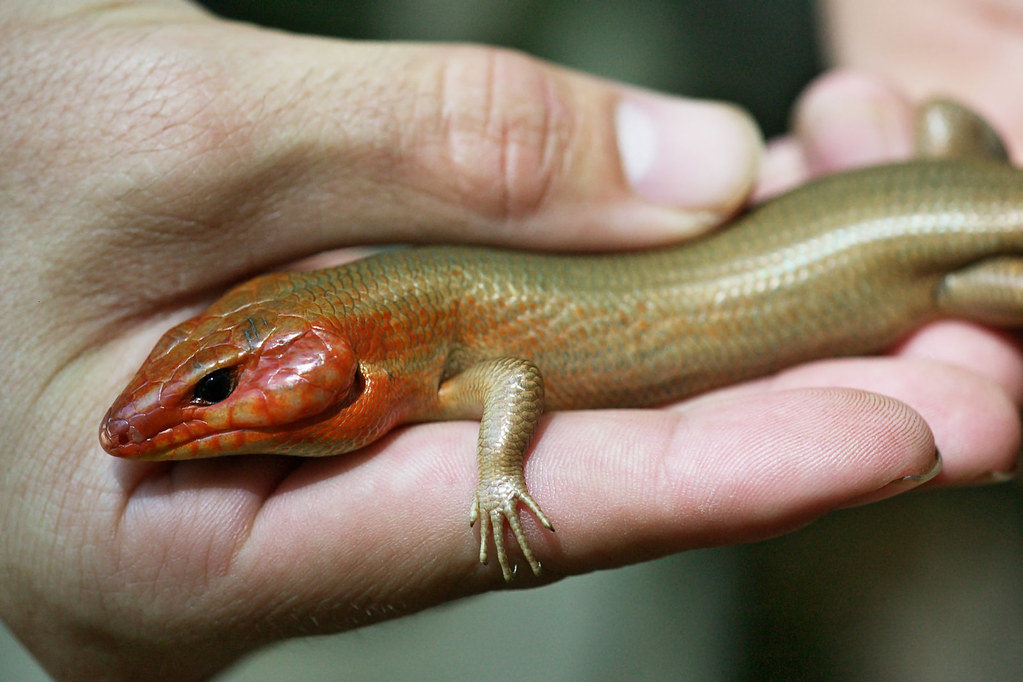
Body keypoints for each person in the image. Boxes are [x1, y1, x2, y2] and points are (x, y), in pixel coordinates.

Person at [1, 1, 1019, 679]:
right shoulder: (403, 347)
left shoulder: (433, 371)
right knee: (940, 135)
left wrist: (496, 474)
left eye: (216, 386)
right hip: (915, 233)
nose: (165, 415)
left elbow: (518, 373)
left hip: (903, 256)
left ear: (331, 352)